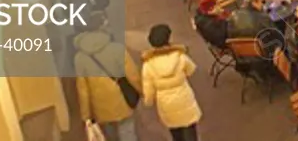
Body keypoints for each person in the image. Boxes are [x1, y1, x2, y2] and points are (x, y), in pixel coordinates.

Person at [74, 13, 141, 141]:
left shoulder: (80, 58)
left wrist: (86, 114)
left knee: (110, 133)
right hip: (121, 99)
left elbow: (83, 89)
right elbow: (133, 75)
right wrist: (141, 91)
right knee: (127, 131)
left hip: (99, 104)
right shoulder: (117, 49)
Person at [141, 23, 202, 141]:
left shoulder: (148, 65)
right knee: (190, 129)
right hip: (183, 98)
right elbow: (191, 70)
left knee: (175, 131)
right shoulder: (180, 56)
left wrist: (148, 101)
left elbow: (148, 90)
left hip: (165, 103)